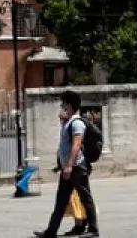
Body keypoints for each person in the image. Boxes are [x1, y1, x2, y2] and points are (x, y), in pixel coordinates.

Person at [34, 90, 98, 238]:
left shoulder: (76, 123)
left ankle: (93, 230)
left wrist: (69, 165)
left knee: (85, 198)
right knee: (61, 201)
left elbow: (76, 145)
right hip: (67, 168)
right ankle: (51, 232)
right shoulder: (68, 122)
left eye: (63, 103)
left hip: (76, 167)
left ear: (68, 104)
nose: (61, 105)